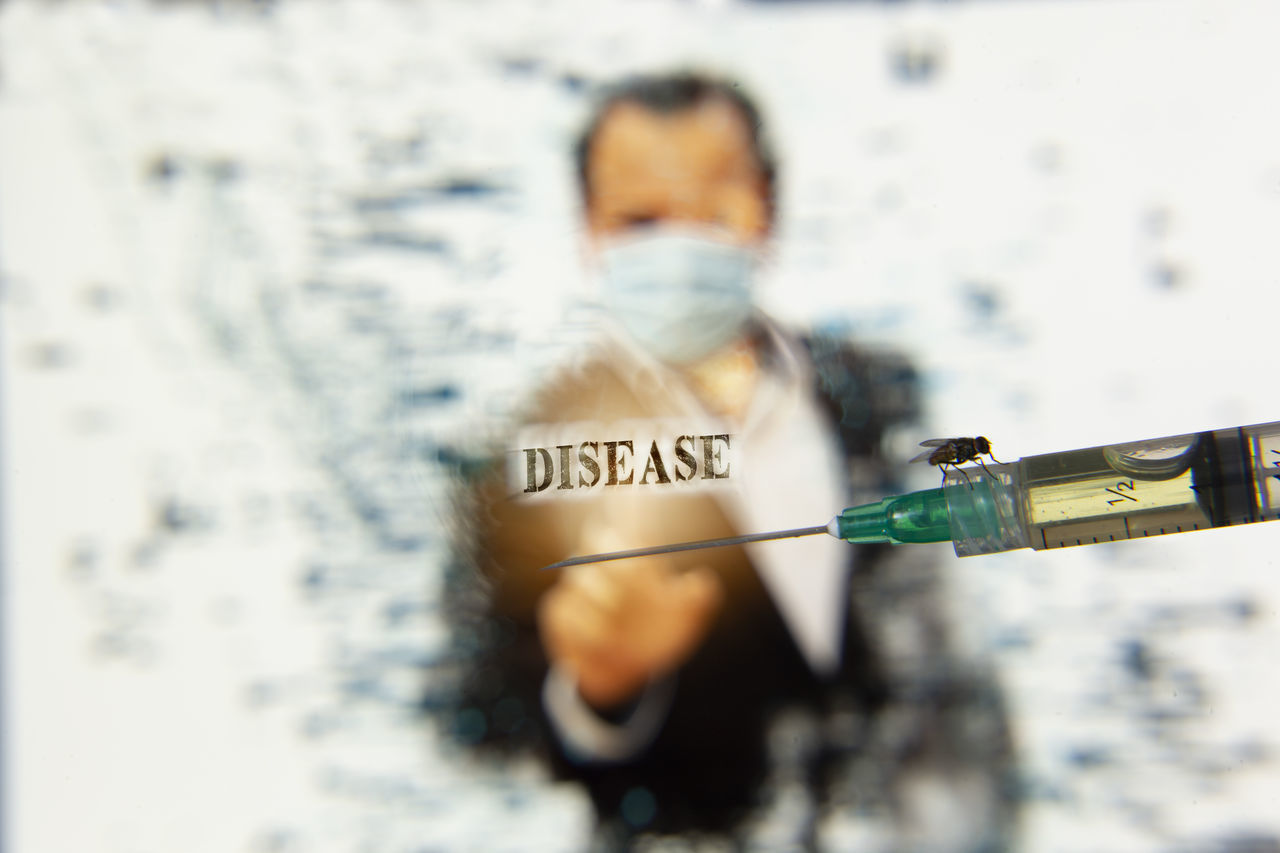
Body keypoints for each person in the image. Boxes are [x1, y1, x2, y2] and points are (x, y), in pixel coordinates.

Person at [437, 71, 1017, 850]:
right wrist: (598, 689)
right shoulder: (516, 458)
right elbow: (469, 721)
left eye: (712, 213)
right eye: (639, 220)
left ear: (767, 212)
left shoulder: (877, 399)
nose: (678, 249)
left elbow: (943, 667)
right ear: (589, 231)